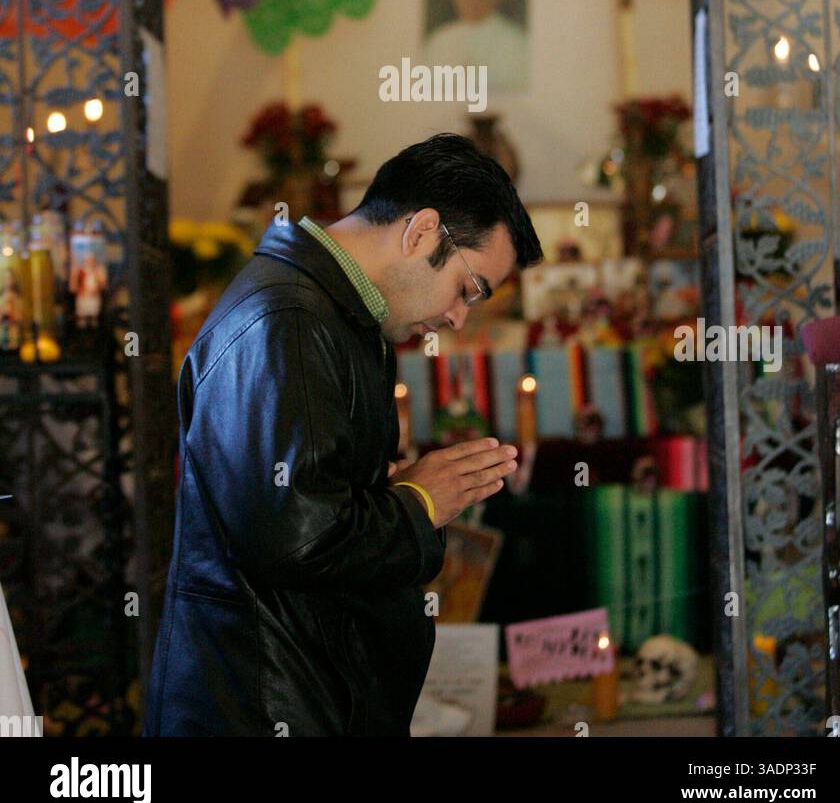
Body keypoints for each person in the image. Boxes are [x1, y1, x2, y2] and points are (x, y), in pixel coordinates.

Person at [143, 133, 543, 737]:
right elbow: (295, 538)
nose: (460, 317)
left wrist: (391, 494)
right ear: (421, 232)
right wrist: (420, 502)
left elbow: (304, 502)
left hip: (305, 685)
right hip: (269, 700)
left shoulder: (336, 310)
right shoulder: (289, 321)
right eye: (468, 289)